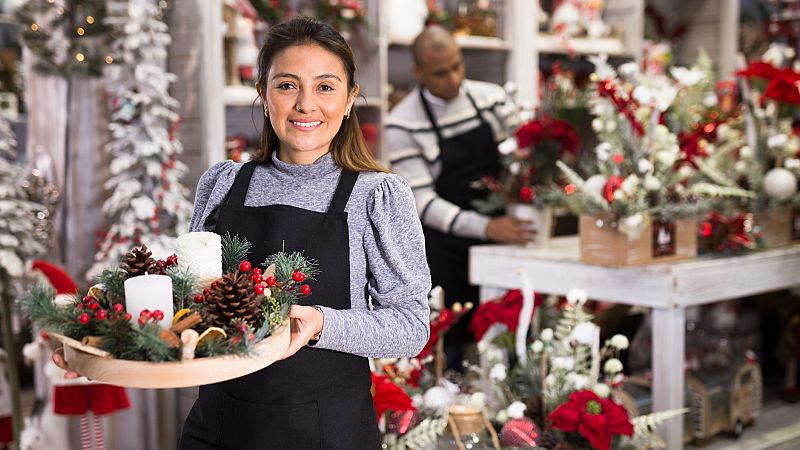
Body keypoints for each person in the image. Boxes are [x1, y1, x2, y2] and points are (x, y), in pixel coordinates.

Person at [56, 17, 431, 450]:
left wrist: (320, 324)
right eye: (287, 85)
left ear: (349, 100)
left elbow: (410, 326)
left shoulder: (376, 196)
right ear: (264, 95)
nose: (307, 104)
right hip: (217, 429)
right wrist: (97, 342)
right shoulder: (222, 184)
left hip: (324, 433)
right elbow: (188, 305)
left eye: (326, 87)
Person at [386, 26, 534, 370]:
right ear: (418, 72)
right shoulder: (403, 123)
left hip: (502, 237)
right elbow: (421, 201)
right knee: (451, 346)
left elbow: (519, 156)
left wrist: (520, 180)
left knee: (510, 335)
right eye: (440, 72)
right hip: (447, 249)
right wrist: (487, 228)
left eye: (458, 66)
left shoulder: (491, 98)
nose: (453, 79)